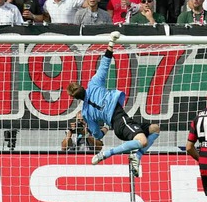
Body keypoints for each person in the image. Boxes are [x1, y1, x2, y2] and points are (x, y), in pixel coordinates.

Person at [67, 32, 160, 177]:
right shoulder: (94, 84)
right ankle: (107, 154)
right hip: (120, 119)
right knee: (142, 141)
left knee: (155, 129)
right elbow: (105, 64)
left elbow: (97, 135)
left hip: (118, 123)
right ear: (81, 86)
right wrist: (111, 44)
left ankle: (137, 157)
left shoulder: (86, 112)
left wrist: (105, 128)